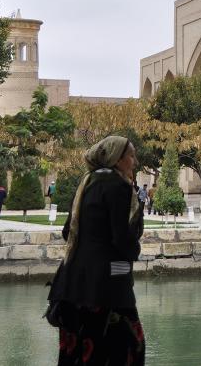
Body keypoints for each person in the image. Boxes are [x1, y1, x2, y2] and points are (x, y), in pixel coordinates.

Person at [47, 135, 145, 365]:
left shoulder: (87, 182)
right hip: (106, 288)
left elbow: (68, 232)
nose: (135, 162)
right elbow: (121, 237)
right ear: (117, 159)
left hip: (73, 283)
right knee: (129, 347)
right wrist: (134, 251)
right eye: (131, 156)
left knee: (79, 352)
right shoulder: (118, 186)